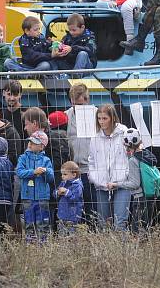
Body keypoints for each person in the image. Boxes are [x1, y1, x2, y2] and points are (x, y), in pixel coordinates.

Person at [88, 104, 131, 231]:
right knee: (102, 223)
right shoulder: (94, 138)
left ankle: (122, 250)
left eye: (104, 118)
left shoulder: (124, 133)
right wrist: (95, 178)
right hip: (102, 184)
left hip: (121, 183)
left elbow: (131, 157)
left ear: (112, 118)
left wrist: (125, 176)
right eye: (99, 118)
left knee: (120, 222)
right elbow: (91, 160)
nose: (101, 122)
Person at [64, 83, 97, 223]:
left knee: (91, 207)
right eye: (74, 104)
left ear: (87, 99)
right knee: (73, 208)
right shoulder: (66, 115)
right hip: (72, 170)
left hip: (90, 169)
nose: (77, 108)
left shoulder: (97, 114)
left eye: (80, 104)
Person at [16, 130, 55, 242]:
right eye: (30, 142)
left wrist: (45, 172)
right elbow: (19, 172)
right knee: (29, 223)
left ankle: (44, 245)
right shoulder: (23, 158)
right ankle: (31, 246)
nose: (30, 144)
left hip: (42, 197)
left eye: (34, 143)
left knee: (43, 223)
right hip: (27, 197)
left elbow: (51, 178)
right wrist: (34, 172)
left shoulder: (46, 160)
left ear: (42, 146)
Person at [121, 128, 157, 232]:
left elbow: (135, 184)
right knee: (146, 227)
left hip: (140, 198)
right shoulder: (146, 155)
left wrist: (116, 184)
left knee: (137, 230)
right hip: (150, 196)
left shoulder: (133, 160)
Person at [55, 160, 83, 234]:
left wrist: (66, 192)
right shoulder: (63, 183)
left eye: (65, 174)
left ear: (74, 175)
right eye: (62, 174)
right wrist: (57, 193)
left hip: (72, 216)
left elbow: (75, 198)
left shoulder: (77, 185)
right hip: (62, 215)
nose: (62, 176)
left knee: (71, 235)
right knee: (61, 234)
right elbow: (55, 193)